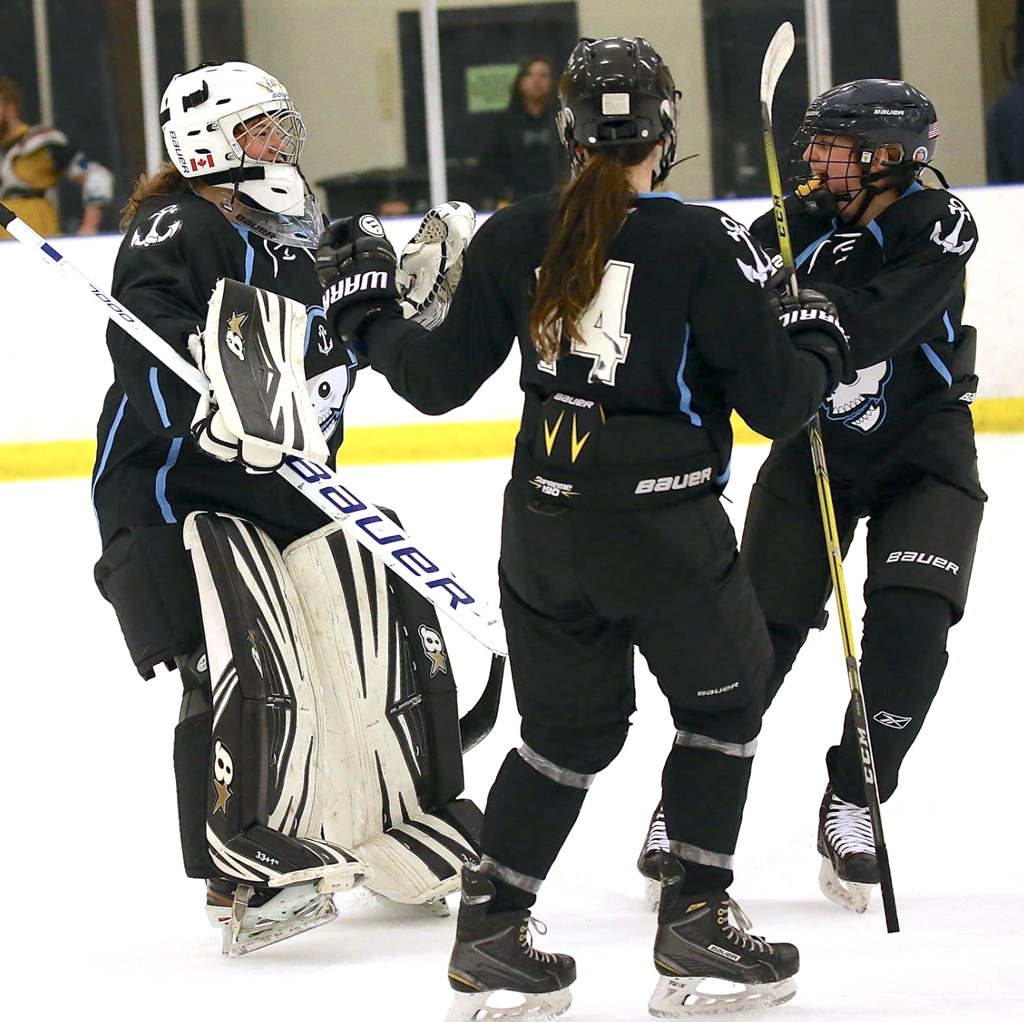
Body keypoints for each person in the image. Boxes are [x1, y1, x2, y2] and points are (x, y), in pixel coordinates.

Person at [315, 36, 852, 1020]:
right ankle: (694, 912)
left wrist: (364, 315)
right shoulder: (701, 243)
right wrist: (813, 338)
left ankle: (490, 932)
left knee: (563, 732)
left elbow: (433, 382)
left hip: (542, 530)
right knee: (722, 711)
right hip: (664, 538)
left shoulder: (517, 231)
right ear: (664, 132)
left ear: (567, 130)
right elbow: (778, 406)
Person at [91, 60, 481, 958]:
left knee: (377, 646)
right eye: (260, 131)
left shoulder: (295, 230)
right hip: (172, 498)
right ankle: (236, 882)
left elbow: (327, 361)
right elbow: (148, 362)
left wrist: (398, 308)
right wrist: (212, 399)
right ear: (207, 144)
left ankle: (401, 826)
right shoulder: (172, 226)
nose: (279, 146)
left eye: (277, 127)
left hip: (290, 492)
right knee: (228, 666)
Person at [641, 79, 984, 915]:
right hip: (815, 447)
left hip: (922, 448)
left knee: (914, 619)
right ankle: (688, 806)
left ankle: (856, 797)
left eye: (834, 146)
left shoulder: (937, 225)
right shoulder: (792, 223)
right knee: (753, 638)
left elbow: (877, 318)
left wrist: (802, 306)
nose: (815, 161)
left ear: (889, 154)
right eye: (816, 145)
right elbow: (727, 299)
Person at [0, 73, 114, 239]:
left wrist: (89, 227)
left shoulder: (42, 142)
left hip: (36, 239)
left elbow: (97, 177)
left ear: (11, 107)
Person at [478, 56, 566, 203]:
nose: (536, 81)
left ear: (552, 82)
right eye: (530, 75)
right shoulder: (505, 124)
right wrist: (505, 192)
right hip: (518, 202)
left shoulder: (562, 121)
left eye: (543, 75)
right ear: (520, 82)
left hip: (556, 200)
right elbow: (487, 166)